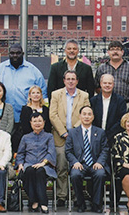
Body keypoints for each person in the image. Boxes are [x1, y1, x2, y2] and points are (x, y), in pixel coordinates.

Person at [0, 43, 46, 145]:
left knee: (25, 148)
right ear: (8, 54)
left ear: (22, 54)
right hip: (3, 118)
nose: (15, 55)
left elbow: (43, 94)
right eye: (12, 53)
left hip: (27, 120)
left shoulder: (33, 71)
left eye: (18, 53)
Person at [49, 70, 90, 207]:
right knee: (61, 167)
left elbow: (86, 113)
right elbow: (52, 115)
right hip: (60, 137)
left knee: (76, 167)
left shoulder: (84, 95)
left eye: (73, 79)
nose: (71, 81)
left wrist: (73, 132)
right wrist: (63, 132)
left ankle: (77, 195)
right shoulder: (56, 94)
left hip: (77, 136)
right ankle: (62, 195)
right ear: (64, 80)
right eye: (68, 79)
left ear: (77, 81)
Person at [66, 106, 109, 213]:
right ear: (80, 116)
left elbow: (105, 149)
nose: (86, 116)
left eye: (89, 114)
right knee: (75, 175)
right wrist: (75, 162)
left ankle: (96, 204)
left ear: (93, 117)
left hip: (95, 163)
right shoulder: (72, 132)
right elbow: (68, 151)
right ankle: (81, 204)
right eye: (84, 114)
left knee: (100, 174)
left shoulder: (100, 132)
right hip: (80, 164)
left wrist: (100, 162)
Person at [16, 113, 57, 214]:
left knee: (39, 171)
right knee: (29, 170)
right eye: (34, 121)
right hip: (28, 164)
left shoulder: (49, 136)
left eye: (39, 121)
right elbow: (20, 153)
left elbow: (51, 152)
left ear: (44, 122)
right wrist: (20, 164)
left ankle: (43, 203)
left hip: (45, 165)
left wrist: (43, 163)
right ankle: (34, 200)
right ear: (30, 123)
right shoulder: (25, 137)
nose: (37, 123)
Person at [90, 74, 127, 145]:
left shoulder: (120, 101)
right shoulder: (93, 101)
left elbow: (121, 120)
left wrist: (108, 136)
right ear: (100, 84)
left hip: (114, 138)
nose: (107, 85)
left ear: (113, 84)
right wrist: (98, 135)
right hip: (96, 138)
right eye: (105, 83)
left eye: (109, 83)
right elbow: (91, 119)